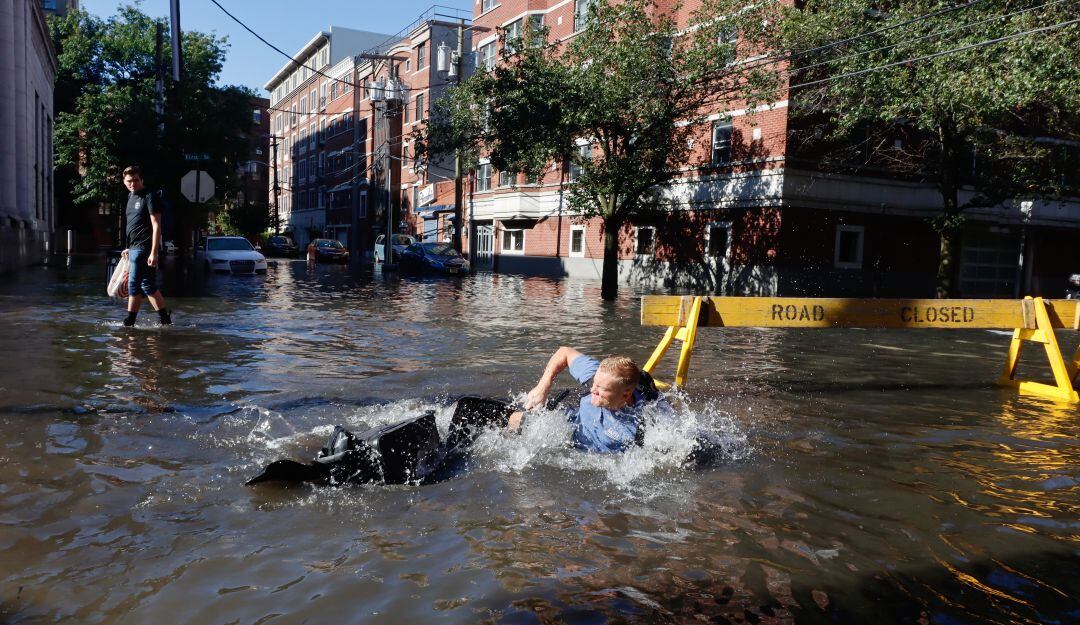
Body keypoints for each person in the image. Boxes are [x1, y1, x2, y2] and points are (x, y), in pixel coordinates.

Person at [510, 346, 671, 453]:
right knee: (500, 415)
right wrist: (543, 387)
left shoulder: (648, 422)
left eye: (601, 389)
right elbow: (564, 352)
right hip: (568, 427)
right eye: (595, 383)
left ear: (625, 395)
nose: (592, 389)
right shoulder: (602, 375)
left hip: (593, 456)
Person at [121, 166, 171, 326]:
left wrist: (154, 252)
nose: (133, 184)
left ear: (141, 180)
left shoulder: (150, 196)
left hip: (144, 248)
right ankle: (165, 319)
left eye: (136, 180)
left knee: (133, 285)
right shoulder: (130, 197)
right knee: (148, 284)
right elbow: (134, 225)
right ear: (124, 181)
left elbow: (156, 226)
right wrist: (129, 246)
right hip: (135, 247)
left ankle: (129, 323)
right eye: (129, 181)